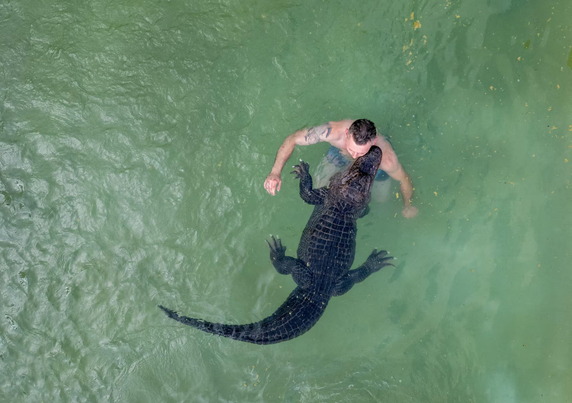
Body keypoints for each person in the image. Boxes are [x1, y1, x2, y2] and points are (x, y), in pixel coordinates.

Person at [263, 119, 418, 218]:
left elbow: (404, 178)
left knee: (381, 200)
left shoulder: (386, 159)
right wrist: (275, 172)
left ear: (374, 141)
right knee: (319, 188)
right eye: (352, 149)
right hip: (340, 156)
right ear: (346, 134)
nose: (356, 156)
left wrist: (408, 205)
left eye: (361, 152)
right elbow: (292, 139)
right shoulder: (332, 132)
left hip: (373, 168)